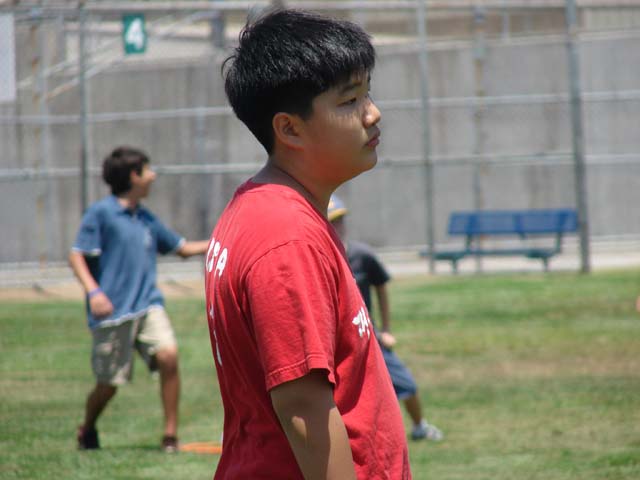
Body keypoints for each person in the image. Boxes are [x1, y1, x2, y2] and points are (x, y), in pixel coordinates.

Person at [204, 9, 410, 480]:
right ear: (290, 129)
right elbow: (303, 409)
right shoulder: (285, 236)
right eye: (349, 100)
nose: (373, 113)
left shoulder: (270, 210)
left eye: (367, 93)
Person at [69, 146, 209, 452]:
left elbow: (182, 248)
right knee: (108, 385)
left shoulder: (145, 217)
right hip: (113, 313)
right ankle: (88, 427)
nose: (153, 176)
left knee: (169, 356)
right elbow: (77, 255)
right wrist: (94, 292)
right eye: (147, 170)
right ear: (133, 176)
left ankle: (170, 436)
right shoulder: (101, 213)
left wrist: (223, 240)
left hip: (148, 306)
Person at [328, 195, 444, 442]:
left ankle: (419, 426)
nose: (339, 226)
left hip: (368, 336)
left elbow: (381, 286)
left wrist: (386, 328)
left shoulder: (362, 255)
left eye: (340, 220)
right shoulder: (321, 258)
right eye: (332, 221)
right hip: (338, 344)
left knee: (406, 384)